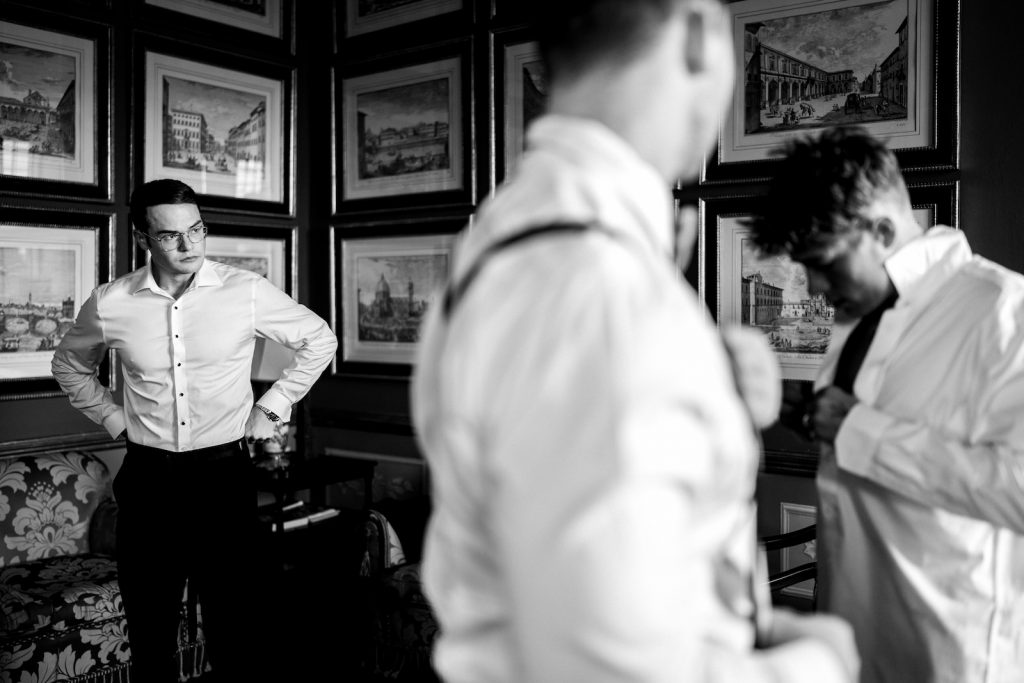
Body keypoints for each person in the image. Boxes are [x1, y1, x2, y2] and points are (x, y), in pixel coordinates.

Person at [410, 1, 859, 681]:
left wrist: (718, 403)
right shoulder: (602, 295)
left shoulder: (505, 245)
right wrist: (818, 664)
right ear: (700, 35)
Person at [749, 125, 1024, 682]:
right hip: (851, 636)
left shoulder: (1004, 312)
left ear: (881, 228)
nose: (814, 287)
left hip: (948, 654)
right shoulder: (859, 318)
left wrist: (862, 432)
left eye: (824, 261)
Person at [51, 178, 338, 683]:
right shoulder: (111, 302)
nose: (189, 247)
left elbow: (319, 339)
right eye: (170, 236)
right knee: (149, 630)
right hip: (148, 480)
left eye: (197, 230)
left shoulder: (244, 291)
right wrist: (115, 419)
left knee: (236, 629)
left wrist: (272, 408)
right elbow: (69, 366)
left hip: (222, 477)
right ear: (143, 237)